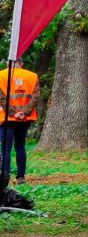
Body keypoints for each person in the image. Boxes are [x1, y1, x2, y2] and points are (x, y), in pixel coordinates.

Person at [0, 59, 40, 187]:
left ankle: (4, 176)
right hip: (24, 119)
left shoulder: (1, 75)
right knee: (20, 147)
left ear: (8, 64)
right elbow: (36, 96)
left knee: (5, 149)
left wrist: (12, 113)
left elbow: (1, 97)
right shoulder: (32, 76)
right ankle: (21, 177)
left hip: (6, 119)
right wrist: (24, 112)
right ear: (21, 64)